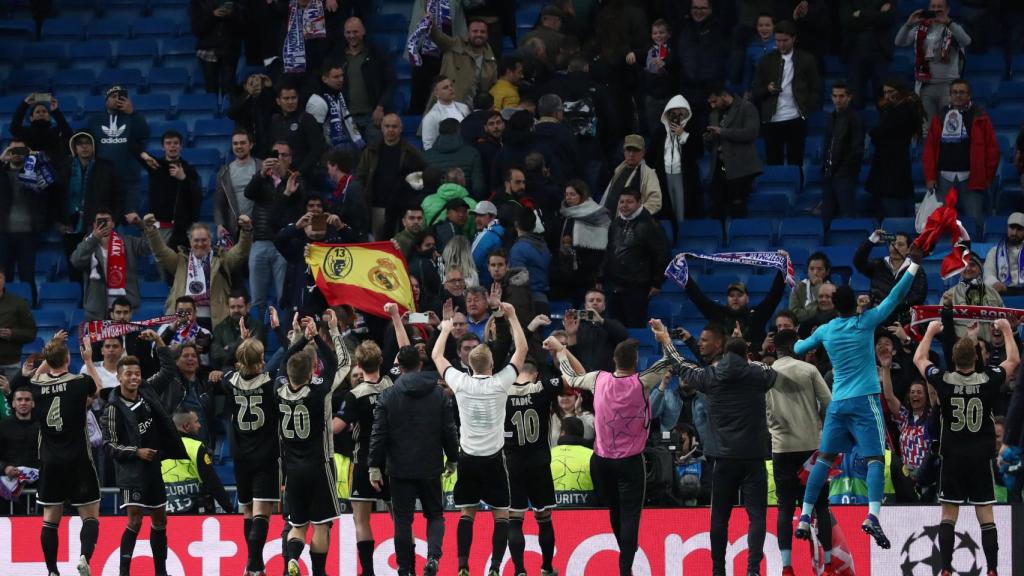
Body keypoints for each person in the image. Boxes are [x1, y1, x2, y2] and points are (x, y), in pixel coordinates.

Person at [793, 246, 925, 551]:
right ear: (855, 305)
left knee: (824, 460)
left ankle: (805, 517)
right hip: (864, 400)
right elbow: (895, 296)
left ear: (834, 307)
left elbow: (799, 349)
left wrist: (801, 337)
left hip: (837, 403)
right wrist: (914, 265)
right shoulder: (864, 322)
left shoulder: (826, 330)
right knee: (875, 458)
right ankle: (873, 516)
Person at [656, 324, 777, 576]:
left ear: (724, 355)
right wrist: (748, 355)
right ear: (745, 355)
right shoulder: (757, 375)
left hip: (723, 458)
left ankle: (718, 570)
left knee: (720, 518)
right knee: (757, 516)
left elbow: (680, 365)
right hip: (753, 457)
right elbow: (769, 369)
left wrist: (666, 340)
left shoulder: (710, 376)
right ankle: (753, 570)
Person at [548, 328, 668, 576]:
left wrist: (560, 352)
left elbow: (571, 378)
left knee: (615, 511)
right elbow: (670, 361)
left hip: (601, 462)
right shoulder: (642, 381)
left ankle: (626, 557)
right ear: (636, 361)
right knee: (631, 516)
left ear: (614, 359)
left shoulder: (598, 379)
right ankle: (626, 567)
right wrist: (664, 339)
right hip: (631, 463)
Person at [431, 302, 531, 576]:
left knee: (467, 513)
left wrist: (446, 328)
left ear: (468, 364)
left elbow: (436, 355)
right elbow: (522, 350)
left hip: (468, 458)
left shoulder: (460, 382)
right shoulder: (500, 383)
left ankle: (463, 566)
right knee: (502, 515)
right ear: (493, 364)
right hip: (494, 459)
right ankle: (495, 567)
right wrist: (512, 316)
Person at [914, 319, 1017, 576]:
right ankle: (992, 569)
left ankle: (946, 569)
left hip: (952, 456)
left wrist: (930, 331)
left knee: (949, 515)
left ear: (952, 358)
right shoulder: (988, 378)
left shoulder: (944, 379)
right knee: (986, 515)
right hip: (980, 456)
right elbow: (1013, 360)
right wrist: (1006, 330)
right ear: (977, 357)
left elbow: (919, 358)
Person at [369, 340, 457, 576]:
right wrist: (452, 458)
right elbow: (449, 430)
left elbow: (378, 434)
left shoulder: (388, 395)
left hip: (399, 469)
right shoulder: (438, 394)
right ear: (420, 364)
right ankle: (433, 558)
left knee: (402, 520)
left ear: (399, 367)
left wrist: (374, 466)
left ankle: (405, 569)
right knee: (435, 515)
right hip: (430, 466)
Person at [101, 330, 186, 576]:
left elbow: (168, 370)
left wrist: (159, 341)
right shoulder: (113, 408)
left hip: (153, 467)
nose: (134, 378)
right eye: (128, 374)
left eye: (137, 374)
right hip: (131, 472)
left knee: (160, 520)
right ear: (119, 377)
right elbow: (108, 445)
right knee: (135, 520)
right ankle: (123, 572)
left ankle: (161, 572)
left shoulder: (147, 390)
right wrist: (135, 452)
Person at [278, 310, 350, 576]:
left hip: (292, 468)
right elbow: (340, 363)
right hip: (320, 464)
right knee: (321, 525)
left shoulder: (279, 389)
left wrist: (299, 339)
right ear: (312, 371)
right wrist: (325, 333)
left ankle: (292, 559)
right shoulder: (321, 391)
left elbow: (284, 362)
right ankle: (319, 572)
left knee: (297, 525)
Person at [26, 334, 102, 576]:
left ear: (47, 360)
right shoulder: (80, 382)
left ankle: (52, 571)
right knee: (90, 517)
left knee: (50, 519)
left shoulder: (36, 385)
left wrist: (51, 348)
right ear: (69, 358)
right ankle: (84, 557)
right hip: (78, 459)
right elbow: (99, 388)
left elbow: (38, 373)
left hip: (50, 461)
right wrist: (88, 360)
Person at [768, 329, 834, 576]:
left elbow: (762, 410)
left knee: (785, 508)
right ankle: (829, 565)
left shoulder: (766, 373)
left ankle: (787, 567)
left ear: (775, 349)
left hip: (782, 447)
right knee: (821, 505)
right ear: (794, 346)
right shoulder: (809, 370)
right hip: (811, 448)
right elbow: (829, 404)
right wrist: (821, 428)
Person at [218, 337, 283, 576]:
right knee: (262, 513)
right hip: (266, 456)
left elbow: (226, 365)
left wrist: (241, 341)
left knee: (247, 512)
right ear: (261, 359)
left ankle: (254, 565)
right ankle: (255, 566)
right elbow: (286, 354)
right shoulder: (270, 383)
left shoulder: (229, 381)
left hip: (240, 456)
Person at [336, 337, 394, 576]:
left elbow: (336, 428)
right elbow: (405, 350)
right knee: (400, 519)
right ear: (380, 360)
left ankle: (368, 572)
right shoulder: (392, 384)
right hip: (392, 459)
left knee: (361, 520)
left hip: (364, 459)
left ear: (358, 364)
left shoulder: (354, 395)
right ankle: (407, 568)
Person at [503, 359, 561, 576]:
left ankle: (519, 570)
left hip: (513, 465)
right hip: (539, 463)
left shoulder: (502, 392)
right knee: (544, 519)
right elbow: (573, 379)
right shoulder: (541, 389)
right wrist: (560, 353)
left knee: (515, 521)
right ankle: (546, 567)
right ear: (536, 374)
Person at [145, 215, 253, 329]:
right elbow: (161, 252)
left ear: (210, 240)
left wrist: (246, 230)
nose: (200, 244)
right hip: (182, 319)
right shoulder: (180, 261)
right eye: (196, 240)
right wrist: (151, 231)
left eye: (204, 240)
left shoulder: (222, 260)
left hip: (215, 320)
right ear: (190, 241)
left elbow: (240, 252)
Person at [921, 79, 999, 222]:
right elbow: (930, 150)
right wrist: (930, 177)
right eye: (954, 92)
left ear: (969, 95)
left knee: (975, 221)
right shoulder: (940, 117)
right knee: (942, 223)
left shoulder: (980, 117)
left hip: (971, 178)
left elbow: (992, 150)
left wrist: (987, 177)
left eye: (962, 92)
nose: (958, 95)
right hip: (943, 178)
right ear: (950, 95)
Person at [752, 19, 821, 170]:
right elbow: (755, 91)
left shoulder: (807, 59)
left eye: (785, 40)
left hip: (796, 119)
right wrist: (767, 90)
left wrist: (807, 107)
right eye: (778, 41)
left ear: (794, 39)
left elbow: (816, 88)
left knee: (796, 163)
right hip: (772, 120)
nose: (781, 44)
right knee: (773, 164)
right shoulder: (766, 61)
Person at [598, 188, 670, 328]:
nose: (624, 205)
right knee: (614, 328)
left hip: (637, 287)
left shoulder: (651, 225)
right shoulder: (616, 223)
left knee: (634, 328)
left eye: (629, 202)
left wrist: (657, 282)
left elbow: (662, 255)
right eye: (622, 202)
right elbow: (608, 252)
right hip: (614, 286)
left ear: (639, 203)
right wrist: (600, 277)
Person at [57, 131, 121, 284]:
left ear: (94, 146)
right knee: (74, 267)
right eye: (80, 143)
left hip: (98, 226)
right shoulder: (64, 167)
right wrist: (58, 222)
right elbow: (56, 197)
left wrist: (114, 220)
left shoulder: (106, 167)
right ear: (74, 147)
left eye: (88, 143)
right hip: (70, 226)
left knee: (98, 269)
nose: (84, 147)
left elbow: (118, 196)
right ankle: (78, 297)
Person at [894, 1, 972, 123]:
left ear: (947, 9)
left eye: (939, 7)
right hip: (925, 86)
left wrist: (948, 23)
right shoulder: (920, 28)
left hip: (948, 86)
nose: (935, 10)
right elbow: (899, 42)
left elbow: (966, 41)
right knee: (927, 127)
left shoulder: (954, 28)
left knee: (948, 126)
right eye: (933, 7)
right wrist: (908, 24)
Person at [85, 86, 151, 225]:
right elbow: (86, 144)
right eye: (113, 96)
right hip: (103, 179)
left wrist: (132, 113)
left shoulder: (133, 118)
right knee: (105, 222)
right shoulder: (95, 121)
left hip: (129, 179)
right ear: (106, 100)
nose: (117, 99)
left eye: (121, 97)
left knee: (130, 220)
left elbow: (144, 134)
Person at [71, 209, 151, 322]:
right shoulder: (88, 244)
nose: (103, 224)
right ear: (94, 225)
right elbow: (76, 261)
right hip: (97, 310)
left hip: (125, 310)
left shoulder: (128, 242)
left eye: (106, 220)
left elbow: (151, 246)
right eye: (99, 221)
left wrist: (140, 225)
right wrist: (94, 239)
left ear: (113, 224)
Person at [355, 113, 426, 240]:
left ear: (401, 129)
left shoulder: (411, 152)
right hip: (376, 206)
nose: (390, 130)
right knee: (378, 245)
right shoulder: (371, 151)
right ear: (382, 128)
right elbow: (361, 176)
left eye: (394, 126)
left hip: (401, 208)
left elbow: (421, 177)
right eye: (387, 126)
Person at [685, 264, 787, 348]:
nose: (735, 298)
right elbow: (698, 298)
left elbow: (774, 295)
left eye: (739, 295)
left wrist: (783, 267)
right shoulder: (718, 314)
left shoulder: (757, 315)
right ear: (727, 298)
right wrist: (683, 271)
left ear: (747, 298)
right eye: (731, 295)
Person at [0, 140, 51, 305]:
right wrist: (1, 159)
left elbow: (52, 184)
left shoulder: (34, 172)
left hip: (28, 233)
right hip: (4, 233)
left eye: (20, 150)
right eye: (13, 150)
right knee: (3, 276)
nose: (16, 153)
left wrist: (35, 159)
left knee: (27, 275)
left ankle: (31, 307)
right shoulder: (2, 173)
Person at [866, 78, 923, 219]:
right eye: (885, 92)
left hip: (894, 172)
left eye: (891, 91)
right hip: (885, 170)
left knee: (893, 215)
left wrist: (874, 133)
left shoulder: (904, 111)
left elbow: (881, 132)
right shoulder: (892, 110)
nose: (887, 96)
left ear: (901, 92)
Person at [704, 84, 763, 220]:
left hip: (740, 167)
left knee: (738, 209)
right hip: (719, 167)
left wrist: (723, 132)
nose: (712, 106)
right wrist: (708, 139)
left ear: (724, 95)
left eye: (715, 101)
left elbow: (751, 133)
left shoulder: (746, 108)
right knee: (717, 209)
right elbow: (711, 146)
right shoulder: (714, 114)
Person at [160, 408, 234, 514]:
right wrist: (229, 509)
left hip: (164, 514)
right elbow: (213, 482)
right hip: (193, 514)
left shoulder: (158, 446)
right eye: (196, 422)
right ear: (186, 426)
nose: (199, 425)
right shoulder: (196, 447)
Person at [141, 129, 203, 252]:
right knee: (163, 262)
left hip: (184, 228)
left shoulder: (189, 170)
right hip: (162, 228)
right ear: (163, 147)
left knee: (184, 263)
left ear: (181, 146)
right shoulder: (155, 165)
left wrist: (183, 178)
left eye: (175, 143)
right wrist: (144, 155)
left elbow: (196, 197)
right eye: (168, 143)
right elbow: (133, 149)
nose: (172, 146)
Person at [335, 17, 395, 143]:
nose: (352, 36)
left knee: (376, 151)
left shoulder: (376, 53)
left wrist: (380, 107)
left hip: (373, 117)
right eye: (348, 32)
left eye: (355, 32)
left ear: (363, 31)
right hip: (347, 119)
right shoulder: (337, 56)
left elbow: (390, 82)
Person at [552, 181, 611, 304]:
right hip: (569, 273)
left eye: (573, 194)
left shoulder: (596, 214)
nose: (569, 197)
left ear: (582, 195)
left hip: (590, 273)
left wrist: (599, 277)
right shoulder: (565, 214)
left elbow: (603, 248)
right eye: (567, 194)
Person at [854, 230, 929, 325]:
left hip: (903, 323)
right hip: (878, 321)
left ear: (908, 249)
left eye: (900, 245)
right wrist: (871, 241)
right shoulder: (878, 264)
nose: (895, 247)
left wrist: (888, 306)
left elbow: (918, 298)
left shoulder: (916, 270)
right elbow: (858, 262)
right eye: (893, 244)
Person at [649, 95, 702, 224]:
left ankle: (683, 229)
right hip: (664, 175)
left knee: (682, 206)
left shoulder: (692, 131)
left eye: (680, 114)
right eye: (674, 113)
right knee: (667, 207)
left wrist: (683, 135)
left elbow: (698, 152)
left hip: (684, 176)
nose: (677, 117)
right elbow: (651, 154)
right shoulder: (660, 131)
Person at [821, 82, 865, 230]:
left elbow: (857, 149)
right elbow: (828, 145)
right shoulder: (831, 117)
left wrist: (843, 171)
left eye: (841, 96)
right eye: (835, 96)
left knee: (847, 216)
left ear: (849, 97)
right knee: (826, 216)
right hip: (829, 175)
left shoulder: (855, 119)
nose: (838, 100)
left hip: (845, 176)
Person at [840, 1, 896, 109]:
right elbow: (847, 21)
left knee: (883, 99)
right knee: (854, 98)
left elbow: (888, 18)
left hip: (880, 50)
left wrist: (861, 14)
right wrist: (877, 15)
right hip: (854, 50)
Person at [306, 60, 367, 153]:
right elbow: (313, 135)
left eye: (342, 75)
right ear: (324, 79)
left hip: (342, 151)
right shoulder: (317, 101)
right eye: (336, 77)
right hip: (326, 153)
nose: (341, 79)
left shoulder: (338, 95)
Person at [270, 84, 326, 182]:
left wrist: (300, 171)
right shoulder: (275, 120)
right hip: (280, 175)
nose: (290, 102)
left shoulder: (306, 119)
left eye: (293, 98)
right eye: (286, 98)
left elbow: (317, 149)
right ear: (278, 101)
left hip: (303, 176)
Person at [214, 128, 261, 243]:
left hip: (259, 226)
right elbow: (219, 202)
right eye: (235, 143)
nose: (239, 146)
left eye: (243, 143)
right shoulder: (224, 172)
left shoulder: (262, 167)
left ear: (251, 145)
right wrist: (220, 224)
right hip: (235, 228)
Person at [600, 134, 663, 217]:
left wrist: (635, 214)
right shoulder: (619, 169)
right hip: (609, 220)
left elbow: (655, 202)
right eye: (628, 150)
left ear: (643, 153)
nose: (631, 154)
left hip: (629, 222)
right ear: (624, 152)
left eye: (635, 151)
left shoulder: (649, 174)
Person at [943, 253, 1003, 338]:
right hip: (962, 345)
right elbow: (942, 327)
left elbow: (1004, 322)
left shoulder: (993, 293)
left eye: (972, 265)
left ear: (980, 269)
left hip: (989, 345)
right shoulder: (949, 295)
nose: (968, 268)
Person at [190, 0, 243, 96]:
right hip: (207, 51)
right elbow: (197, 30)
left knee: (228, 91)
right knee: (211, 91)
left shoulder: (237, 3)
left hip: (230, 49)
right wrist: (212, 15)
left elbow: (243, 27)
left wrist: (231, 15)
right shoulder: (198, 3)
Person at [425, 118, 486, 199]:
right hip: (465, 202)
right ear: (459, 131)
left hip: (435, 202)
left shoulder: (426, 155)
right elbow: (478, 187)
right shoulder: (472, 153)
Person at [210, 291, 268, 371]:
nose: (236, 310)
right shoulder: (220, 328)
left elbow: (252, 353)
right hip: (227, 371)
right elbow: (216, 356)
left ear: (248, 307)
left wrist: (229, 348)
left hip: (251, 370)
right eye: (232, 307)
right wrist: (242, 341)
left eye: (240, 306)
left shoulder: (257, 327)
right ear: (228, 308)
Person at [10, 94, 73, 167]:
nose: (41, 113)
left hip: (55, 169)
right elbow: (14, 128)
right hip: (31, 169)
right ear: (31, 118)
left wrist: (56, 111)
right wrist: (25, 104)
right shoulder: (26, 132)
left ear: (49, 117)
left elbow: (68, 134)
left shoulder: (56, 131)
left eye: (44, 111)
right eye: (37, 112)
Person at [0, 268, 36, 382]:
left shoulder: (18, 303)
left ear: (4, 279)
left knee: (14, 393)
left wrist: (12, 334)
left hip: (11, 365)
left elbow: (31, 333)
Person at [422, 76, 471, 151]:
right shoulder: (430, 117)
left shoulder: (464, 108)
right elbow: (428, 146)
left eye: (451, 86)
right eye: (445, 88)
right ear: (436, 94)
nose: (450, 89)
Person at [983, 212, 1024, 295]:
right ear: (1007, 228)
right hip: (1001, 292)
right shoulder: (994, 251)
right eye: (1012, 228)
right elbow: (988, 274)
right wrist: (995, 283)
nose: (1014, 233)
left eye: (1019, 229)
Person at [790, 252, 832, 325]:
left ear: (827, 272)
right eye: (811, 269)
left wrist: (818, 286)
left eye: (819, 269)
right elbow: (794, 315)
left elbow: (830, 313)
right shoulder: (798, 288)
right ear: (807, 271)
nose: (815, 273)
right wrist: (818, 309)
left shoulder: (833, 289)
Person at [470, 201, 505, 286]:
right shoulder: (499, 231)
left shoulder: (489, 235)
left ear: (492, 217)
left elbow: (472, 263)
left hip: (484, 285)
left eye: (481, 215)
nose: (477, 219)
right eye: (476, 215)